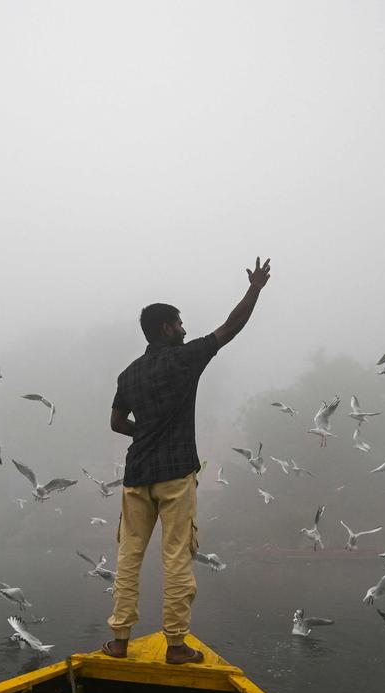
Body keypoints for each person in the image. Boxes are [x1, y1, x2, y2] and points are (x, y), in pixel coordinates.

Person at [103, 257, 272, 664]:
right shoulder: (185, 359)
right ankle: (175, 646)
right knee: (177, 556)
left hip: (136, 475)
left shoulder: (129, 374)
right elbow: (231, 327)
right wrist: (256, 288)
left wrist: (143, 432)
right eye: (179, 323)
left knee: (129, 557)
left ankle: (120, 642)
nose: (185, 328)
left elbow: (115, 422)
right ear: (166, 328)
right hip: (176, 475)